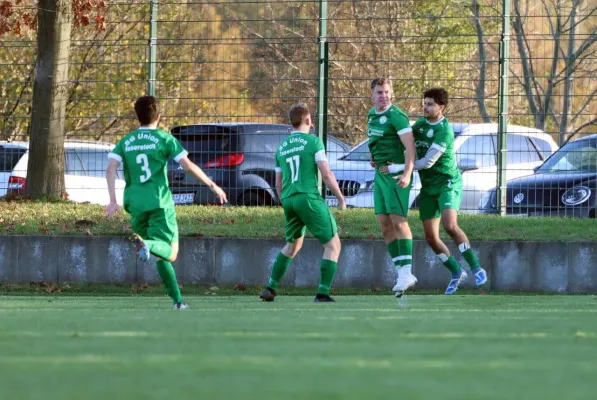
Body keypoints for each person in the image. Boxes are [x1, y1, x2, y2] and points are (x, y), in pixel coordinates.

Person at [105, 95, 227, 309]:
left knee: (161, 254)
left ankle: (178, 302)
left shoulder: (126, 140)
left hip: (135, 203)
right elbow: (188, 166)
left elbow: (111, 168)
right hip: (159, 202)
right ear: (159, 117)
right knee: (170, 252)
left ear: (138, 117)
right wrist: (212, 185)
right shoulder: (164, 139)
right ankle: (148, 244)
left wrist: (113, 201)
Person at [380, 88, 488, 294]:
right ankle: (456, 272)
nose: (425, 107)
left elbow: (426, 162)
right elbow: (406, 146)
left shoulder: (444, 131)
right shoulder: (420, 125)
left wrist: (396, 168)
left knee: (450, 224)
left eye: (430, 104)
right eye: (425, 102)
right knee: (430, 237)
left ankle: (475, 267)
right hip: (428, 188)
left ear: (441, 107)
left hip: (447, 183)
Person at [259, 103, 346, 303]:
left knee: (292, 245)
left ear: (291, 122)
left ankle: (270, 287)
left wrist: (287, 203)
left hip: (288, 199)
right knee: (333, 245)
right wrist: (341, 198)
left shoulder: (281, 148)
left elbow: (278, 184)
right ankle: (322, 292)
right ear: (307, 120)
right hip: (308, 197)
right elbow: (326, 173)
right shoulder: (313, 142)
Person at [367, 77, 417, 297]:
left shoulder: (397, 116)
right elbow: (376, 141)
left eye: (387, 92)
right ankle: (401, 274)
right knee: (384, 224)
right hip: (380, 175)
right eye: (379, 92)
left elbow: (410, 147)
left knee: (399, 222)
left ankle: (407, 272)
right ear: (372, 94)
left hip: (396, 176)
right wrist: (373, 156)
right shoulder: (371, 115)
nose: (383, 96)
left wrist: (407, 173)